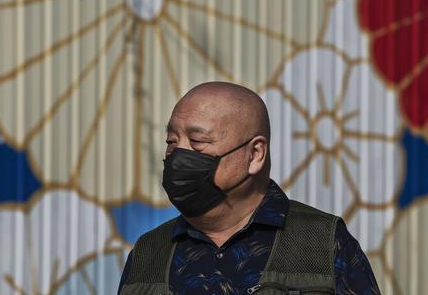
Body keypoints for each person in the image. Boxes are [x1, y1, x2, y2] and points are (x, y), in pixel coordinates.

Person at [118, 82, 380, 294]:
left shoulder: (322, 243)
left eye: (197, 141)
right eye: (171, 141)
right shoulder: (147, 254)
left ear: (255, 154)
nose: (178, 154)